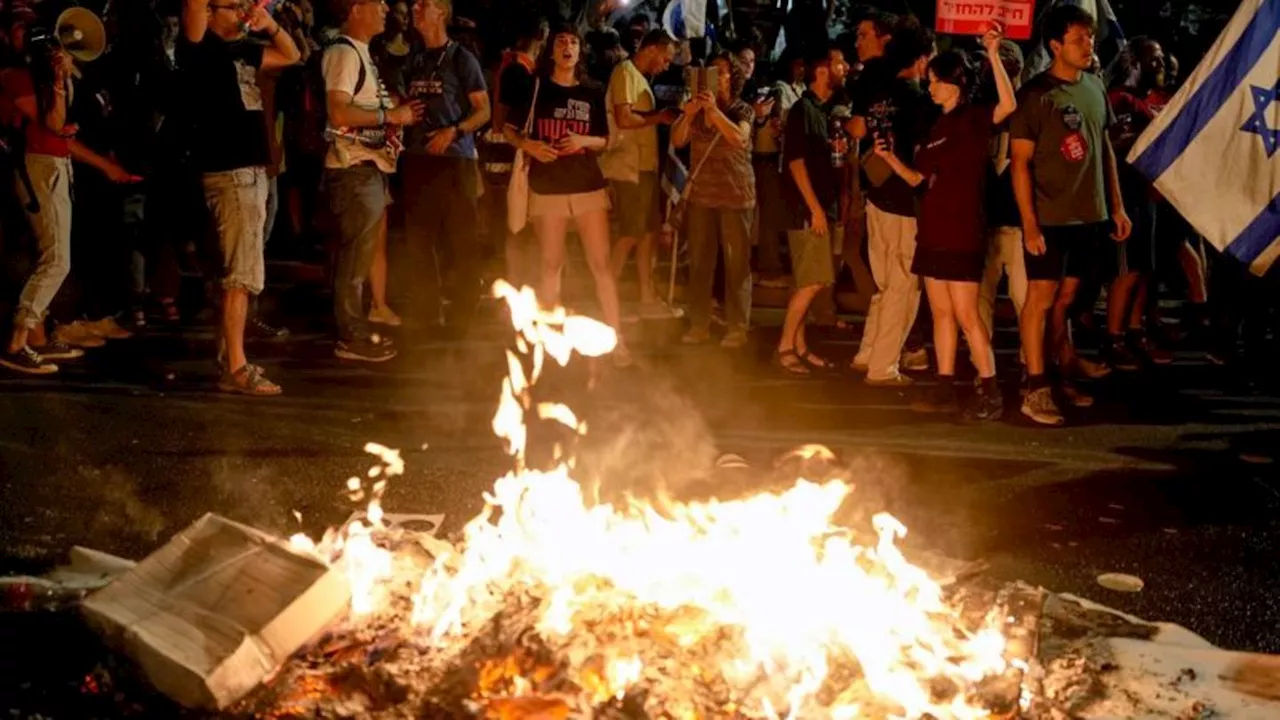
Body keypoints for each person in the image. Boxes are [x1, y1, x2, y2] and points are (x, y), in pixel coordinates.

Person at [871, 27, 1017, 421]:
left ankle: (989, 390)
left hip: (962, 232)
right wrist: (888, 159)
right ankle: (945, 385)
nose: (930, 86)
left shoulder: (973, 119)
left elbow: (1008, 104)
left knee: (967, 314)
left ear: (954, 84)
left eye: (935, 81)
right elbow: (919, 180)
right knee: (940, 313)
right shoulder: (936, 126)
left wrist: (992, 52)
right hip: (933, 231)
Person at [1009, 4, 1131, 425]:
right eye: (1079, 39)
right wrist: (1028, 223)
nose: (1088, 45)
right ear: (1056, 45)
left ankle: (1061, 374)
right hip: (1049, 220)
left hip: (1089, 217)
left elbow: (1105, 150)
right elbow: (1019, 164)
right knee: (1040, 300)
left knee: (1065, 300)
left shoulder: (1095, 87)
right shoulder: (1035, 95)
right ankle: (1034, 387)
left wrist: (1116, 205)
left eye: (1090, 38)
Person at [179, 0, 301, 395]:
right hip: (230, 171)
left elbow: (292, 54)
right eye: (232, 7)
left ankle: (227, 358)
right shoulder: (200, 48)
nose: (241, 13)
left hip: (249, 171)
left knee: (237, 271)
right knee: (241, 276)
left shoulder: (244, 49)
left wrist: (268, 23)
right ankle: (236, 366)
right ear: (210, 13)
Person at [0, 39, 140, 374]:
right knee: (57, 259)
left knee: (50, 254)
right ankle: (17, 343)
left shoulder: (37, 77)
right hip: (40, 167)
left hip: (53, 165)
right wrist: (59, 81)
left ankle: (35, 338)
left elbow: (60, 129)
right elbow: (52, 123)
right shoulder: (18, 76)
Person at [505, 25, 629, 366]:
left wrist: (582, 141)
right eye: (561, 41)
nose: (567, 46)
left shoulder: (592, 90)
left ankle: (617, 338)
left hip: (587, 185)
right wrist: (528, 144)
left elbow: (604, 139)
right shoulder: (536, 87)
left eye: (573, 42)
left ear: (580, 52)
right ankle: (549, 342)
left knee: (601, 264)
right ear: (551, 50)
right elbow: (508, 128)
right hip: (548, 188)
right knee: (550, 264)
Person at [323, 0, 423, 361]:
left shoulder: (361, 53)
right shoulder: (344, 53)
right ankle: (349, 336)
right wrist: (390, 114)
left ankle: (354, 328)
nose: (385, 9)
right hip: (353, 169)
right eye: (376, 3)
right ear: (354, 8)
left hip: (368, 168)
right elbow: (337, 111)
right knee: (354, 259)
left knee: (360, 256)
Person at [849, 19, 936, 386]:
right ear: (920, 59)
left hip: (877, 198)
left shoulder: (879, 92)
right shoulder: (918, 100)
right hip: (904, 203)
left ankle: (868, 352)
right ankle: (883, 366)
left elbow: (858, 129)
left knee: (886, 285)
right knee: (904, 288)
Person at [394, 0, 490, 329]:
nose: (416, 8)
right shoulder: (415, 59)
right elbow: (401, 100)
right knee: (419, 240)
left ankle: (465, 314)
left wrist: (454, 130)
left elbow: (483, 110)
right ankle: (427, 310)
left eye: (425, 4)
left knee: (461, 239)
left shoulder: (462, 58)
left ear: (442, 13)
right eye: (415, 5)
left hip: (455, 161)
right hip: (418, 160)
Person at [671, 52, 755, 349]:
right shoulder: (696, 110)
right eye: (710, 73)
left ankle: (737, 327)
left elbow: (740, 139)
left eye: (721, 72)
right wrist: (691, 112)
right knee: (700, 263)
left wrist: (714, 112)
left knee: (736, 265)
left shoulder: (741, 109)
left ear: (733, 77)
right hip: (703, 196)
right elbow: (678, 140)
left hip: (735, 196)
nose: (716, 78)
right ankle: (699, 325)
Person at [1103, 36, 1171, 370]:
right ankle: (1113, 337)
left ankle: (1133, 330)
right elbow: (1110, 145)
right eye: (1154, 59)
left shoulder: (1150, 100)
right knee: (1128, 270)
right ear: (1137, 63)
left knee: (1145, 270)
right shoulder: (1119, 100)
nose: (1160, 65)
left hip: (1149, 193)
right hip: (1127, 194)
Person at [600, 28, 679, 319]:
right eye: (666, 58)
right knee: (631, 232)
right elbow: (624, 117)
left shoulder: (642, 79)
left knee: (647, 233)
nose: (666, 64)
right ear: (652, 49)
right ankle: (605, 291)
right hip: (628, 167)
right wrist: (658, 118)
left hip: (645, 167)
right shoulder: (625, 72)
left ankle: (647, 294)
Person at [774, 47, 842, 376]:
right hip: (805, 208)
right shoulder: (803, 109)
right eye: (840, 63)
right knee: (813, 281)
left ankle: (799, 346)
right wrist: (815, 209)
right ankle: (785, 346)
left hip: (821, 205)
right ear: (823, 70)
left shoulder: (826, 111)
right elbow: (796, 162)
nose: (846, 68)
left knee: (807, 280)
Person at [486, 11, 546, 287]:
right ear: (541, 35)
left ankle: (523, 281)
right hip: (510, 153)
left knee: (523, 222)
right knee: (514, 221)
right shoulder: (516, 70)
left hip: (519, 151)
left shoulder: (521, 67)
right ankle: (514, 281)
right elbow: (503, 116)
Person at [977, 40, 1029, 349]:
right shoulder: (979, 112)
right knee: (981, 300)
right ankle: (982, 366)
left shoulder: (1030, 110)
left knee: (1027, 301)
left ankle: (1030, 363)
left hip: (1021, 224)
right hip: (986, 223)